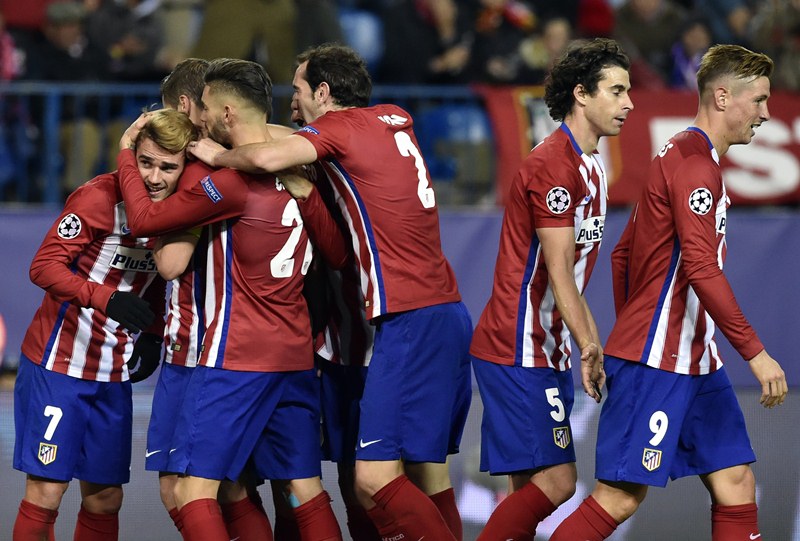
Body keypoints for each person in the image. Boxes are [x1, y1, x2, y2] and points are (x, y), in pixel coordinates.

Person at [188, 43, 474, 541]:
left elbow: (271, 151)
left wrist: (218, 153)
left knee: (372, 479)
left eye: (298, 89)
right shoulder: (393, 118)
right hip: (437, 311)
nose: (292, 100)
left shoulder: (338, 131)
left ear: (323, 91)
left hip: (405, 319)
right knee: (419, 473)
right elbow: (294, 144)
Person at [549, 44, 789, 541]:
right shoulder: (695, 166)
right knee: (619, 497)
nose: (767, 113)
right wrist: (757, 353)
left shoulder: (681, 153)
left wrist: (635, 323)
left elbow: (623, 256)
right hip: (659, 363)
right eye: (760, 100)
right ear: (723, 97)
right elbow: (701, 266)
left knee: (737, 481)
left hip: (697, 361)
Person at [116, 57, 346, 541]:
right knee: (304, 488)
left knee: (192, 492)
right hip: (296, 351)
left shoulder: (224, 183)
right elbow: (339, 253)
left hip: (237, 352)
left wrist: (125, 154)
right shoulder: (300, 167)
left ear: (222, 113)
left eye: (202, 108)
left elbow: (151, 235)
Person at [467, 38, 633, 541]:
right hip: (519, 347)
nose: (629, 104)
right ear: (581, 94)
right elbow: (559, 272)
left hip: (548, 348)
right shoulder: (552, 166)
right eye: (617, 90)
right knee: (559, 483)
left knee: (529, 490)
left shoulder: (593, 167)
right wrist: (589, 342)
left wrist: (580, 337)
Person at [11, 108, 196, 541]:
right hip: (58, 369)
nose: (153, 177)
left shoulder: (179, 211)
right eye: (145, 162)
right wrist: (106, 299)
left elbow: (151, 276)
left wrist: (149, 334)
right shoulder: (98, 197)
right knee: (46, 493)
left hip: (111, 377)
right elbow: (43, 267)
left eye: (168, 167)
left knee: (105, 499)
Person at [140, 57, 281, 541]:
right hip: (238, 345)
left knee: (189, 489)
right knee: (229, 486)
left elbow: (172, 265)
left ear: (185, 107)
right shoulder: (256, 158)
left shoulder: (205, 177)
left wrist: (134, 169)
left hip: (201, 348)